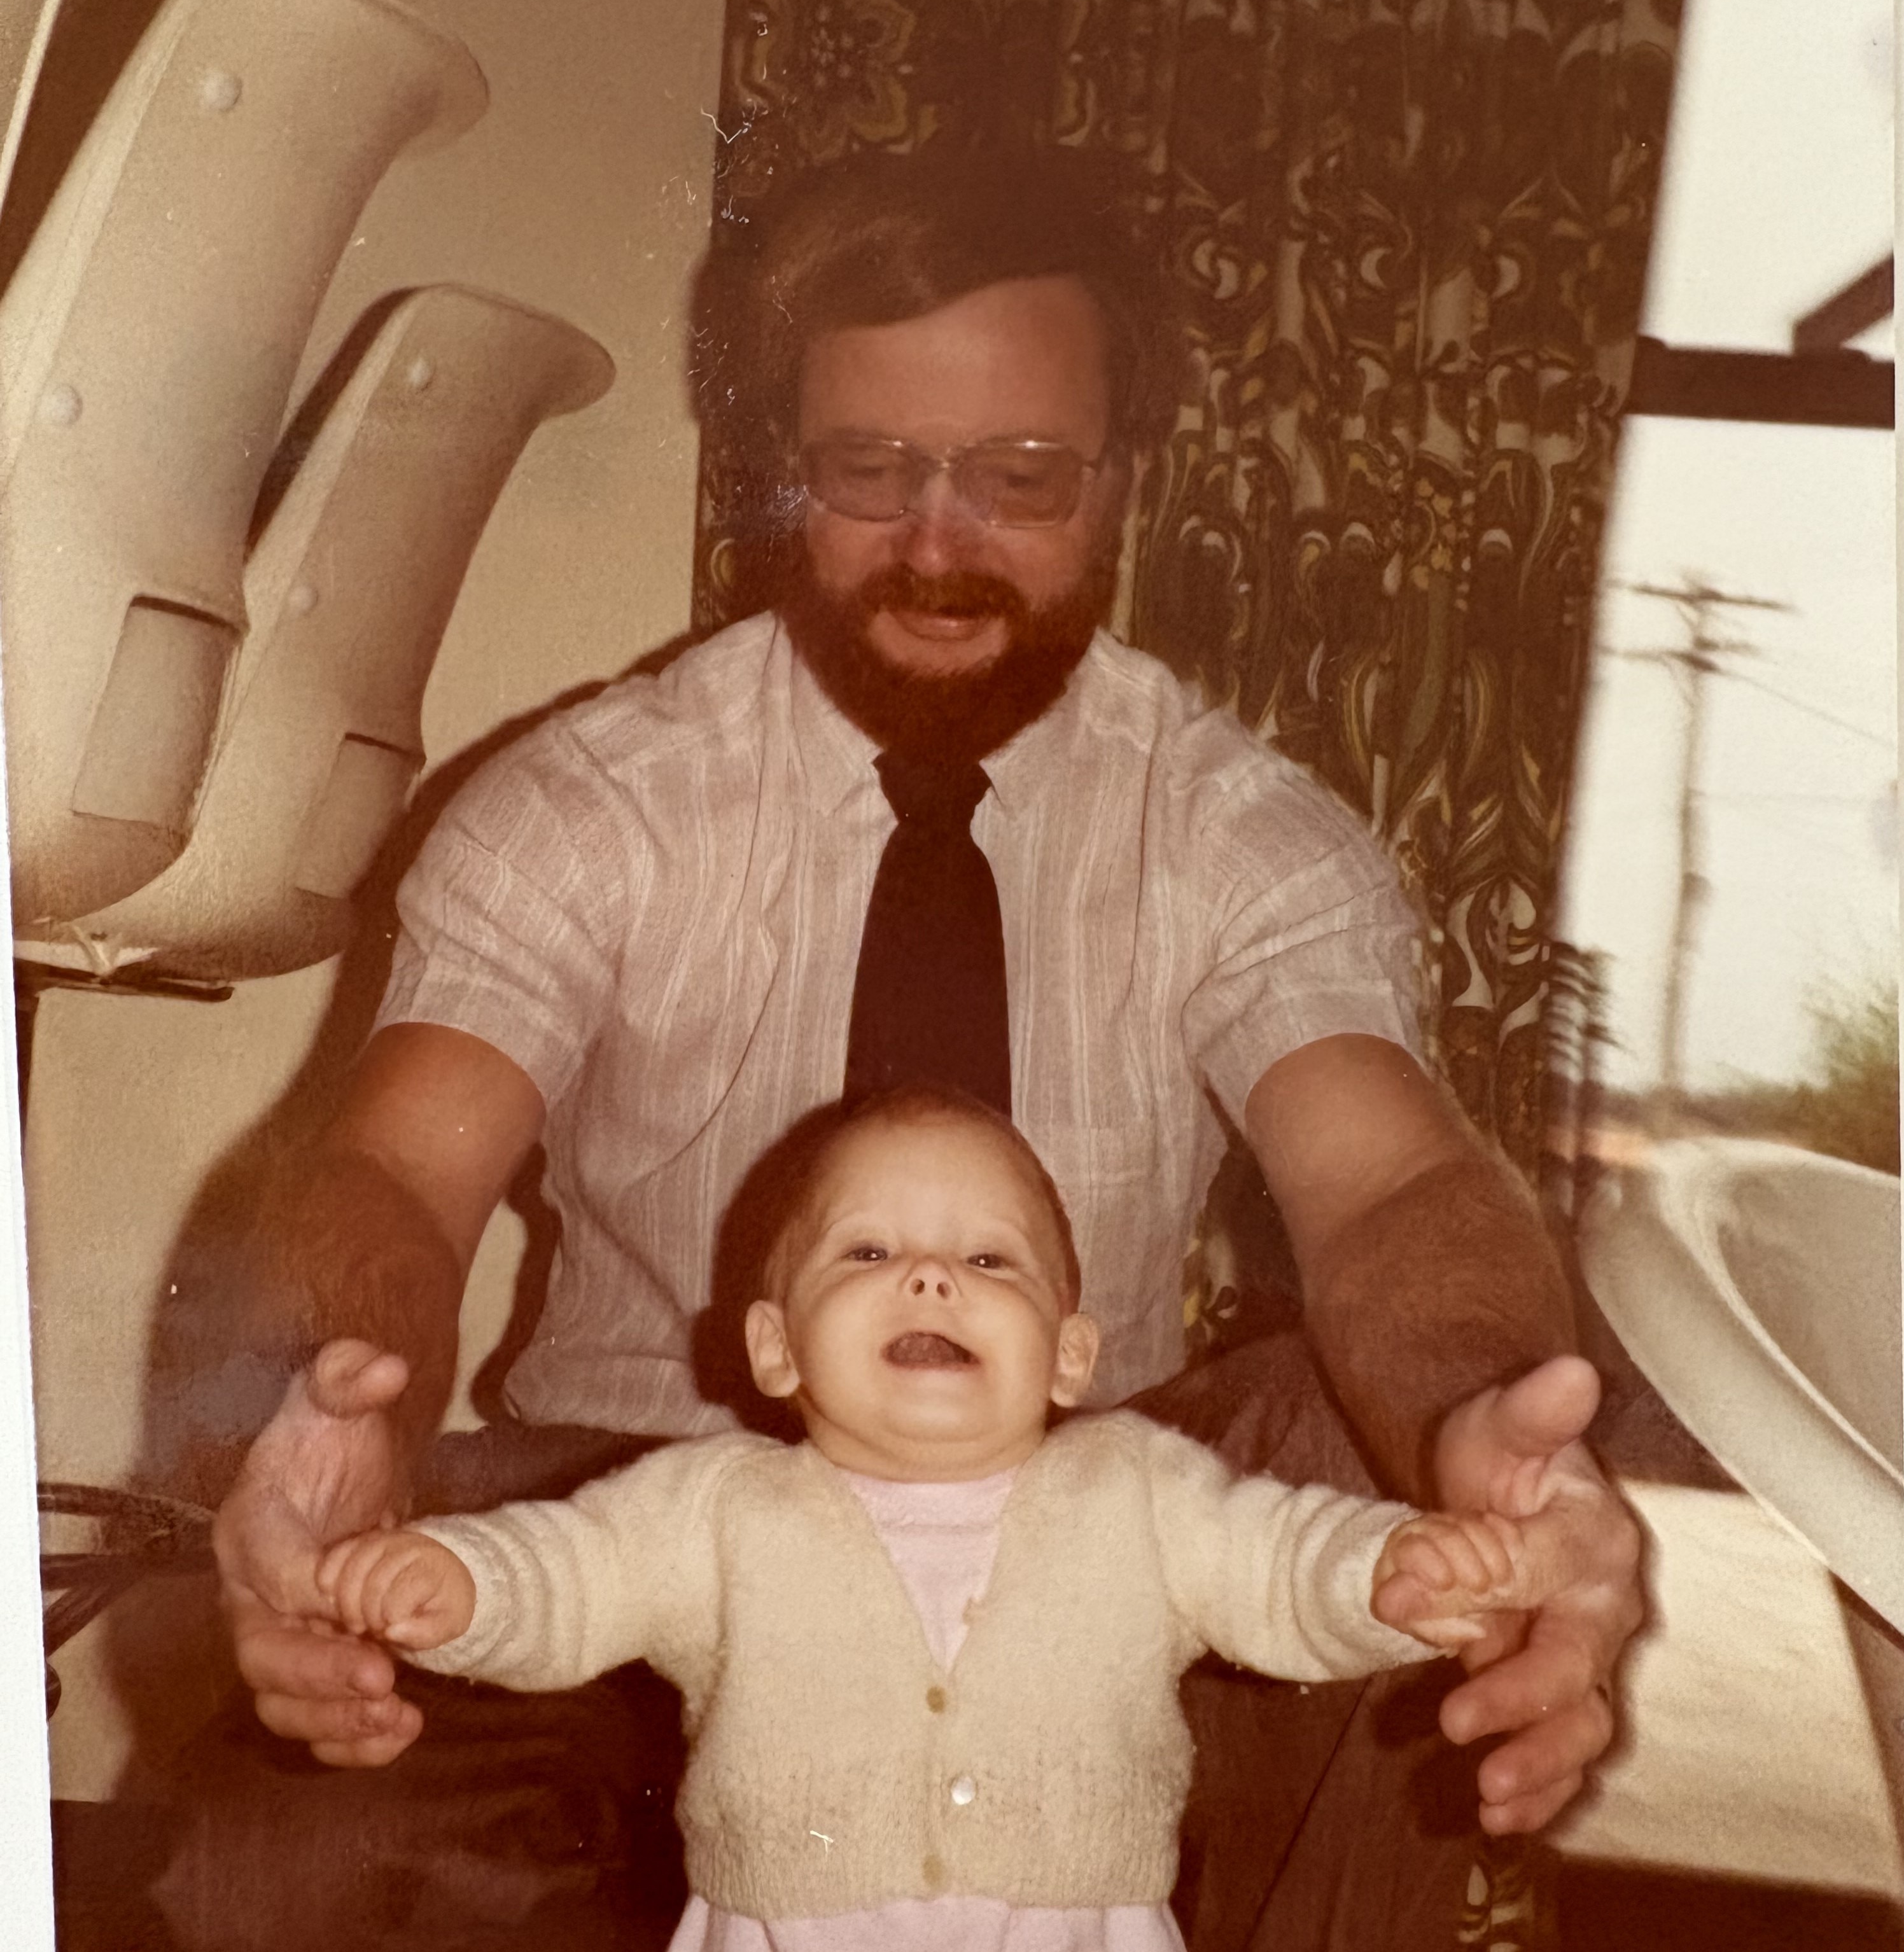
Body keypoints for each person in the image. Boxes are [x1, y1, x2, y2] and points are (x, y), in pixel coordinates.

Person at [162, 149, 1640, 1952]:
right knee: (282, 1857)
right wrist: (347, 1402)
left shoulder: (1241, 834)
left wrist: (1485, 1422)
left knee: (1365, 1455)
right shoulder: (586, 807)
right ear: (785, 472)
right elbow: (395, 1167)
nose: (940, 545)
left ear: (1124, 481)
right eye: (870, 470)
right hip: (625, 1505)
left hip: (1105, 1532)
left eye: (1021, 476)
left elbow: (1390, 1184)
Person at [312, 1088, 1593, 1952]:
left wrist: (1394, 1570)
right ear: (773, 1345)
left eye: (990, 1260)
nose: (930, 1275)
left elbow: (1282, 1561)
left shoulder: (1140, 1488)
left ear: (1070, 1354)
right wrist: (456, 1581)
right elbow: (569, 1572)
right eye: (866, 1253)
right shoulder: (714, 1506)